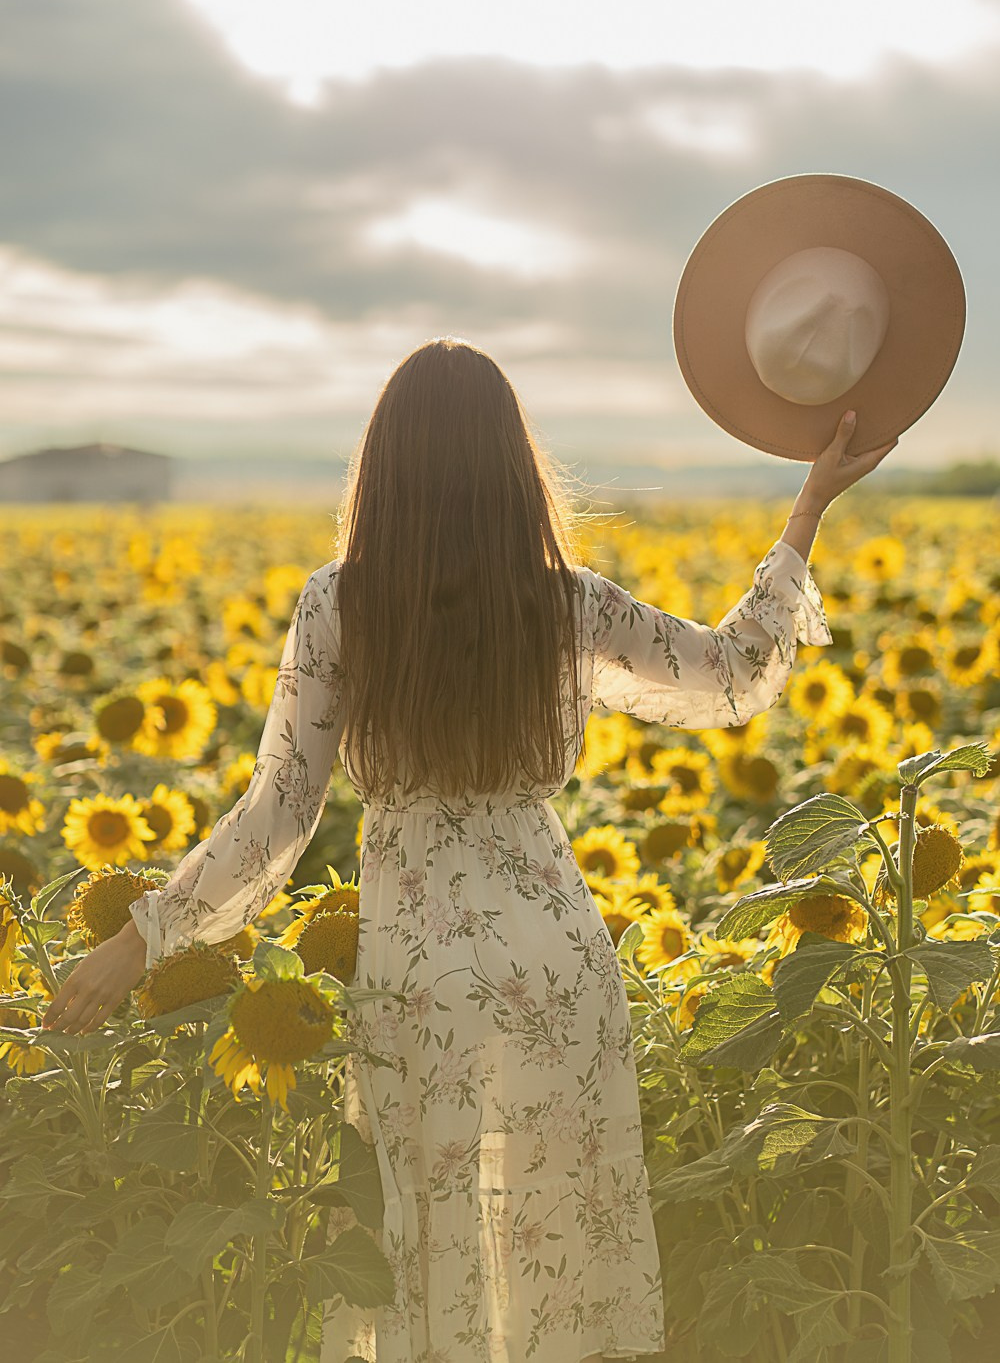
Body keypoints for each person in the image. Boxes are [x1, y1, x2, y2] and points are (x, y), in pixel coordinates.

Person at [41, 336, 898, 1361]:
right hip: (559, 962)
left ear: (385, 465)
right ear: (510, 462)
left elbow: (274, 816)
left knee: (424, 1248)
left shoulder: (342, 603)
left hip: (422, 977)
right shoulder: (562, 599)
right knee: (555, 1250)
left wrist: (138, 940)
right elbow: (728, 674)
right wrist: (809, 507)